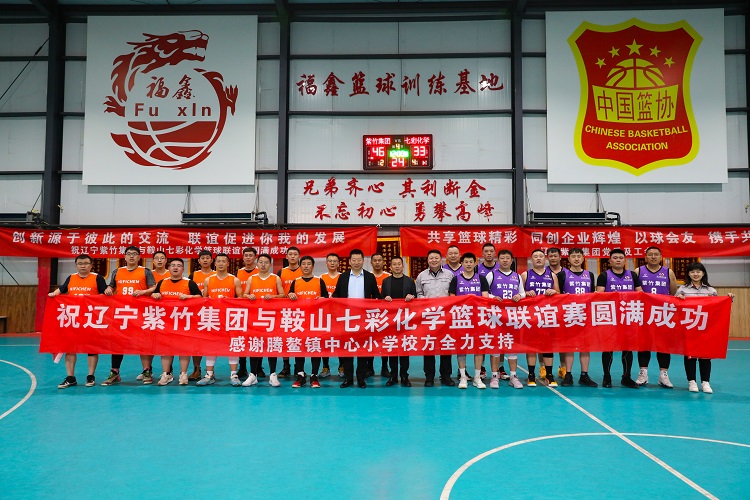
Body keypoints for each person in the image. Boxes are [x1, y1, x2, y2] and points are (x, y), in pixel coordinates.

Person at [50, 254, 108, 388]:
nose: (83, 266)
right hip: (73, 320)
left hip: (91, 320)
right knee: (70, 349)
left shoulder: (97, 278)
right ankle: (70, 377)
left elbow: (105, 294)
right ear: (76, 265)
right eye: (80, 263)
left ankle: (90, 376)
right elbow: (61, 290)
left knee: (91, 348)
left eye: (86, 263)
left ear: (91, 265)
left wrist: (107, 292)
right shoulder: (71, 278)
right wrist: (53, 294)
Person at [102, 246, 157, 386]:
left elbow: (154, 287)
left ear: (139, 257)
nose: (131, 256)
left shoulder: (145, 271)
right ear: (125, 257)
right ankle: (115, 371)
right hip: (122, 313)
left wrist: (143, 292)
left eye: (134, 254)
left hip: (140, 313)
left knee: (143, 341)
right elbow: (111, 286)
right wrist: (109, 289)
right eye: (129, 254)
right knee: (118, 342)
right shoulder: (117, 271)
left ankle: (147, 370)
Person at [676, 262, 734, 394]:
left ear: (703, 273)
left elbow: (717, 308)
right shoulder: (682, 290)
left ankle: (705, 382)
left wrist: (728, 299)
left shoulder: (711, 291)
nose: (695, 274)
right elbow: (674, 308)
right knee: (690, 356)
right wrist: (678, 299)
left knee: (705, 356)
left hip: (705, 328)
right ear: (688, 274)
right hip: (689, 328)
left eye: (698, 271)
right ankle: (691, 381)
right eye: (692, 272)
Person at [332, 249, 381, 389]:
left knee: (362, 349)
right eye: (354, 260)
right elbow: (336, 294)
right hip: (347, 318)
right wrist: (329, 299)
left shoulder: (370, 277)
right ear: (350, 261)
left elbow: (376, 296)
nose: (356, 262)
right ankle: (348, 378)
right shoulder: (343, 277)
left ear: (363, 261)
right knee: (347, 349)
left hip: (364, 318)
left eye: (359, 260)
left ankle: (361, 378)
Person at [151, 258, 202, 385]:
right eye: (173, 265)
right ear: (169, 268)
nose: (175, 267)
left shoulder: (189, 283)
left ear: (183, 269)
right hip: (166, 322)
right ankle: (166, 374)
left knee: (183, 348)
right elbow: (154, 294)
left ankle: (183, 374)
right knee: (166, 349)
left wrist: (189, 297)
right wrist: (154, 295)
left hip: (184, 322)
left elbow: (200, 297)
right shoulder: (162, 282)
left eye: (179, 265)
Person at [597, 248, 643, 389]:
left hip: (628, 316)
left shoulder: (632, 275)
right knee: (608, 348)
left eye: (620, 258)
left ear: (625, 260)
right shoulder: (604, 275)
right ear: (610, 261)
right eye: (615, 258)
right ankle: (607, 376)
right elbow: (599, 295)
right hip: (610, 317)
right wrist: (612, 296)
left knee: (628, 348)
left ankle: (626, 377)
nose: (618, 260)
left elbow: (640, 293)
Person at [196, 253, 243, 387]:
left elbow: (240, 299)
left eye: (224, 261)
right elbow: (204, 299)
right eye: (219, 261)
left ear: (228, 263)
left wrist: (229, 301)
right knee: (211, 345)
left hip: (230, 317)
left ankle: (233, 374)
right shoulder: (208, 280)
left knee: (232, 344)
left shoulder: (234, 280)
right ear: (215, 263)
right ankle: (209, 374)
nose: (221, 263)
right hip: (213, 317)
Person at [635, 246, 678, 388]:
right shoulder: (638, 271)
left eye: (656, 254)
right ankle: (643, 373)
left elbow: (673, 292)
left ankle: (663, 375)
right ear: (645, 257)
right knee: (643, 344)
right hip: (644, 314)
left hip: (662, 314)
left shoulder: (668, 272)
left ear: (661, 257)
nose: (653, 257)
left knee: (663, 345)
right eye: (650, 254)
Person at [556, 248, 598, 387]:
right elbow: (557, 295)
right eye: (573, 256)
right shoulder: (562, 275)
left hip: (585, 315)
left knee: (585, 346)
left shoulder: (589, 275)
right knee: (569, 345)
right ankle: (568, 374)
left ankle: (584, 374)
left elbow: (592, 294)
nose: (576, 259)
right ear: (568, 259)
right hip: (568, 315)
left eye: (578, 256)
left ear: (583, 258)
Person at [242, 253, 285, 387]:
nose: (263, 265)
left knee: (271, 344)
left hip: (271, 317)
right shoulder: (252, 278)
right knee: (255, 344)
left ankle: (273, 374)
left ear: (270, 264)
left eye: (266, 262)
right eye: (261, 262)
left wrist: (273, 296)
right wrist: (249, 296)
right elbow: (244, 294)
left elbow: (283, 295)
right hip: (255, 317)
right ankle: (253, 375)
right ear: (257, 263)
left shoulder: (275, 278)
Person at [485, 249, 525, 389]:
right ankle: (494, 376)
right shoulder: (491, 275)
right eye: (502, 258)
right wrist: (493, 297)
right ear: (498, 260)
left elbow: (522, 293)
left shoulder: (517, 276)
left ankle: (513, 376)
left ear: (512, 260)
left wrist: (519, 296)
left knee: (512, 346)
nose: (505, 260)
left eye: (508, 258)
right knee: (495, 347)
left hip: (512, 316)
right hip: (495, 316)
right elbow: (484, 293)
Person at [448, 252, 489, 389]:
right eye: (466, 262)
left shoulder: (481, 279)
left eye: (471, 262)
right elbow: (452, 298)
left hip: (478, 318)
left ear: (475, 263)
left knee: (478, 347)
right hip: (462, 318)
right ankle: (463, 377)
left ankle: (477, 377)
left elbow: (485, 298)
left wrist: (474, 299)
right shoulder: (456, 279)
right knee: (462, 347)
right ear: (462, 263)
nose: (469, 264)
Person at [415, 249, 456, 387]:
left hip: (446, 316)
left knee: (446, 345)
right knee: (429, 345)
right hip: (428, 316)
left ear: (441, 259)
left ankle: (446, 376)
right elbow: (418, 293)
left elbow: (453, 293)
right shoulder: (421, 276)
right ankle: (429, 377)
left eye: (436, 258)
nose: (434, 260)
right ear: (427, 260)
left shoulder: (449, 275)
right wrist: (423, 300)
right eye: (431, 258)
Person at [288, 255, 329, 388]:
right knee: (299, 347)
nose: (306, 266)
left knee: (314, 347)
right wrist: (290, 295)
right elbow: (289, 298)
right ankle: (300, 375)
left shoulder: (319, 281)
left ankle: (314, 375)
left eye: (308, 264)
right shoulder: (295, 281)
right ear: (300, 266)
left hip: (315, 321)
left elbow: (326, 299)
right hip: (299, 321)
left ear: (313, 266)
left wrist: (322, 299)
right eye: (303, 264)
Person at [521, 249, 559, 387]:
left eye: (541, 256)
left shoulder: (552, 275)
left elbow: (559, 293)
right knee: (531, 346)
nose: (538, 258)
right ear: (531, 260)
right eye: (535, 256)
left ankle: (549, 374)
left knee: (548, 345)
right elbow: (519, 293)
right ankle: (531, 374)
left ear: (545, 259)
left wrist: (554, 291)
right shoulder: (525, 275)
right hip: (530, 316)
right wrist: (526, 293)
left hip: (547, 315)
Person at [381, 256, 416, 387]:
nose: (397, 266)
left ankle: (404, 376)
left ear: (403, 266)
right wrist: (385, 298)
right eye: (394, 264)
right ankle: (393, 375)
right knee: (393, 349)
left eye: (399, 264)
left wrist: (412, 297)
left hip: (406, 320)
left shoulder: (410, 281)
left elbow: (416, 298)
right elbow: (381, 299)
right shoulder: (386, 281)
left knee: (405, 350)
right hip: (391, 321)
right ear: (390, 267)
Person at [187, 249, 215, 381]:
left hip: (214, 313)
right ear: (198, 261)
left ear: (212, 260)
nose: (205, 260)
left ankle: (210, 371)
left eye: (207, 258)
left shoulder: (217, 275)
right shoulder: (193, 275)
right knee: (196, 342)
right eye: (202, 258)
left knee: (211, 343)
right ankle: (196, 368)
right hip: (196, 313)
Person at [476, 243, 503, 380]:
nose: (488, 253)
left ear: (495, 253)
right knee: (483, 338)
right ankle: (482, 368)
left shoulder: (501, 267)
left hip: (500, 309)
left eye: (491, 251)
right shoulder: (476, 268)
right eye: (486, 251)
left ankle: (500, 368)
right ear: (482, 253)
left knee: (500, 338)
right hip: (482, 309)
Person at [277, 246, 302, 378]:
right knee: (284, 338)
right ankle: (286, 365)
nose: (292, 256)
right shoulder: (281, 272)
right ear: (286, 256)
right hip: (283, 310)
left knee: (299, 338)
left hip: (300, 310)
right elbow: (277, 289)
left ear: (299, 256)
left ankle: (299, 367)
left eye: (295, 254)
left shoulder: (303, 270)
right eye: (290, 254)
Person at [546, 247, 569, 380]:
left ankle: (563, 367)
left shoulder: (566, 273)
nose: (553, 258)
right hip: (546, 312)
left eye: (555, 256)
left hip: (563, 312)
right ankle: (543, 368)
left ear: (560, 257)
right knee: (545, 342)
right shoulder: (543, 272)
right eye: (551, 256)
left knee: (562, 342)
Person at [236, 247, 259, 379]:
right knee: (242, 338)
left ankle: (258, 367)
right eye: (246, 255)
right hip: (242, 310)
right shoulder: (238, 273)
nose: (248, 258)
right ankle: (242, 367)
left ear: (255, 257)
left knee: (257, 338)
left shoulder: (260, 271)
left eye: (251, 255)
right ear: (243, 258)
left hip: (257, 310)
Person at [320, 253, 341, 378]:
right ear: (326, 263)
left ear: (338, 263)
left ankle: (341, 366)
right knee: (325, 341)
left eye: (335, 261)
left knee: (341, 340)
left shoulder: (342, 277)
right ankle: (325, 367)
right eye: (330, 261)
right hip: (325, 315)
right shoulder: (321, 278)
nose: (332, 263)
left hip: (340, 315)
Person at [371, 252, 391, 379]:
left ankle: (385, 367)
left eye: (379, 260)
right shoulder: (368, 276)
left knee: (385, 341)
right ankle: (369, 368)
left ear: (383, 262)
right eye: (375, 260)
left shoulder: (388, 277)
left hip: (386, 314)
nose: (377, 262)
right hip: (370, 314)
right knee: (370, 341)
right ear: (371, 262)